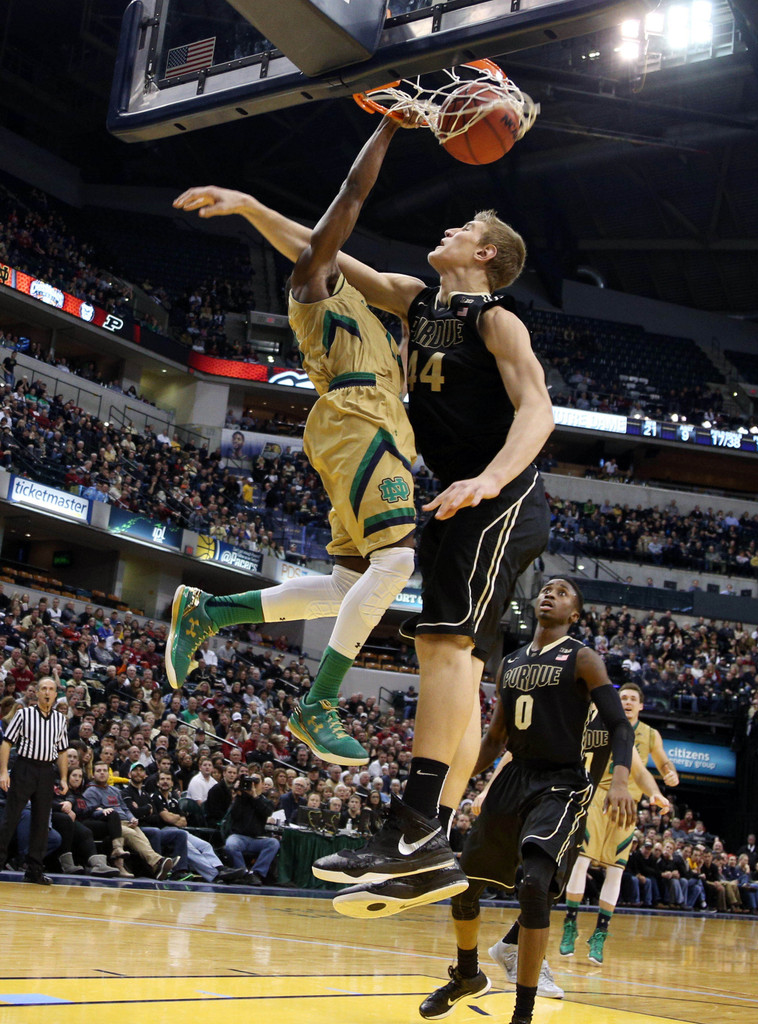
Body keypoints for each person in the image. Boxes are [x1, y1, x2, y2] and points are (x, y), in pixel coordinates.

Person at [175, 123, 555, 914]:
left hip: (497, 498)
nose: (447, 231)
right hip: (458, 497)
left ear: (485, 254)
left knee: (442, 650)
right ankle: (430, 845)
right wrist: (249, 205)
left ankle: (412, 832)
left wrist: (488, 479)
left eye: (464, 229)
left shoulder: (496, 320)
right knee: (461, 671)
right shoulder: (415, 301)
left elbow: (538, 412)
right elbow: (319, 248)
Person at [169, 116, 418, 767]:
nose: (326, 247)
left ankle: (209, 613)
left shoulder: (354, 297)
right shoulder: (310, 286)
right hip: (354, 420)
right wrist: (389, 127)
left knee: (346, 584)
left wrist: (252, 206)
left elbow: (314, 237)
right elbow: (348, 200)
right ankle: (319, 703)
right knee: (397, 563)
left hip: (378, 427)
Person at [385, 578, 635, 1024]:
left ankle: (523, 1013)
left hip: (561, 783)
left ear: (575, 614)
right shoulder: (512, 662)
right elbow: (495, 738)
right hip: (515, 776)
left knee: (535, 886)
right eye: (546, 588)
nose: (549, 593)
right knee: (463, 886)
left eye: (561, 592)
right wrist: (447, 782)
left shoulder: (583, 658)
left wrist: (619, 781)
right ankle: (466, 974)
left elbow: (619, 725)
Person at [560, 678, 679, 963]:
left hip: (627, 805)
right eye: (623, 698)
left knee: (616, 870)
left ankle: (600, 934)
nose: (627, 702)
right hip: (596, 796)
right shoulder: (601, 722)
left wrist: (665, 778)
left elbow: (653, 766)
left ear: (641, 706)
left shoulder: (649, 734)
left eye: (632, 699)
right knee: (581, 861)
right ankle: (570, 924)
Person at [0, 677, 68, 884]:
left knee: (41, 821)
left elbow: (62, 751)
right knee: (11, 817)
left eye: (51, 689)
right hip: (25, 767)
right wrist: (3, 772)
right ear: (37, 692)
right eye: (43, 688)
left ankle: (34, 870)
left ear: (56, 694)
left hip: (47, 771)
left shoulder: (60, 719)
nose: (47, 692)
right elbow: (6, 743)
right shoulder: (23, 714)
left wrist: (64, 778)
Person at [82, 762, 174, 880]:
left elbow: (125, 808)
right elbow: (90, 812)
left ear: (108, 774)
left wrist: (132, 818)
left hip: (127, 821)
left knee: (143, 839)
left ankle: (156, 868)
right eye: (98, 771)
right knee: (132, 834)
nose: (102, 773)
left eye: (104, 770)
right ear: (93, 774)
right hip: (111, 823)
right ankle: (158, 861)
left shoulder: (115, 790)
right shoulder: (90, 791)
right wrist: (102, 811)